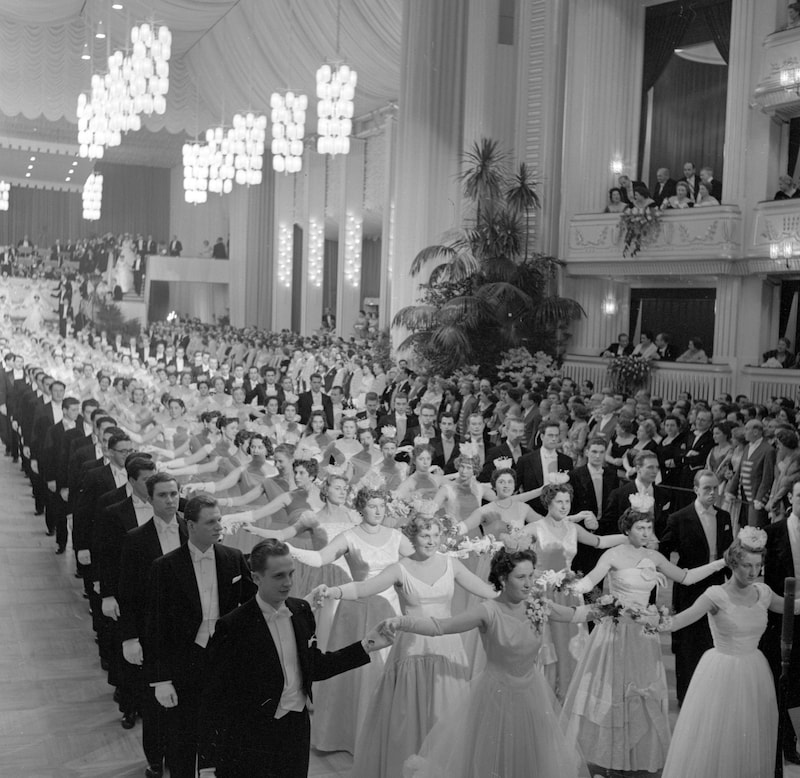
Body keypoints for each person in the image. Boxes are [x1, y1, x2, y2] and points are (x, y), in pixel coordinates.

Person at [313, 512, 498, 778]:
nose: (431, 541)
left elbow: (484, 590)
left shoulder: (451, 564)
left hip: (447, 649)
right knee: (408, 718)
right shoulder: (400, 568)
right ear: (412, 537)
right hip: (412, 651)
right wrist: (333, 591)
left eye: (436, 535)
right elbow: (365, 588)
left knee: (446, 714)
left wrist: (517, 597)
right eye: (425, 535)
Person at [380, 548, 588, 778]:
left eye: (531, 576)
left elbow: (573, 614)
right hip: (495, 697)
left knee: (528, 757)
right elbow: (440, 627)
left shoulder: (537, 605)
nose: (529, 584)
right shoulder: (487, 611)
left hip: (532, 694)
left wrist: (611, 607)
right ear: (502, 579)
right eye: (521, 577)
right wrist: (402, 622)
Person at [196, 538, 391, 778]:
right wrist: (207, 763)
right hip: (250, 736)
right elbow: (213, 697)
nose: (288, 583)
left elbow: (315, 666)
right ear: (256, 578)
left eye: (291, 574)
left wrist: (367, 645)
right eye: (278, 576)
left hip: (296, 730)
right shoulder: (233, 625)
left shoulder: (301, 611)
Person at [560, 500, 727, 774]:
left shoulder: (656, 558)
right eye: (640, 527)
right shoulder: (613, 554)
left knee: (640, 692)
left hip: (643, 634)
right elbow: (588, 583)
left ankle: (634, 758)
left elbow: (685, 577)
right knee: (612, 689)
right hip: (615, 630)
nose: (646, 532)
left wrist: (720, 562)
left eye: (649, 527)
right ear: (628, 529)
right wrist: (559, 581)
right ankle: (607, 757)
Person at [660, 527, 798, 778]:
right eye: (747, 565)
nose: (753, 572)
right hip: (721, 673)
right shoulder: (716, 595)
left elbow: (793, 607)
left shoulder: (763, 593)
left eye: (758, 565)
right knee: (720, 736)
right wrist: (648, 619)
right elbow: (680, 620)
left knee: (749, 734)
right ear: (733, 563)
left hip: (754, 672)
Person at [285, 487, 412, 753]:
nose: (378, 510)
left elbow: (419, 559)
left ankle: (382, 736)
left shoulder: (396, 536)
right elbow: (320, 559)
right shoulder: (350, 536)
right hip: (355, 610)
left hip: (388, 608)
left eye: (382, 505)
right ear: (361, 508)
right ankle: (346, 736)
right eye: (372, 505)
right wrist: (290, 549)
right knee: (354, 670)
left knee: (384, 668)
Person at [145, 495, 255, 778]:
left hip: (224, 660)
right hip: (185, 661)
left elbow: (253, 607)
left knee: (223, 733)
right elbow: (154, 625)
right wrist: (161, 679)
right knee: (182, 737)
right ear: (190, 525)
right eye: (211, 522)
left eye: (220, 520)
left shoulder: (233, 558)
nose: (219, 527)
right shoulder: (165, 566)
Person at [659, 470, 733, 704]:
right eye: (707, 489)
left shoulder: (724, 517)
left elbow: (728, 552)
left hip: (717, 585)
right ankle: (687, 697)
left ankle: (710, 695)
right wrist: (671, 574)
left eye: (715, 488)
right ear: (695, 489)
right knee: (688, 642)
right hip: (689, 587)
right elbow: (663, 551)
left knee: (713, 639)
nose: (713, 493)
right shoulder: (679, 518)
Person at [762, 479, 800, 764]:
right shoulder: (772, 533)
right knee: (784, 681)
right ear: (790, 499)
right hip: (782, 619)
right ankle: (785, 743)